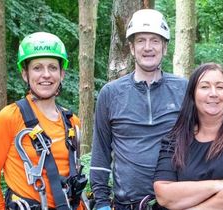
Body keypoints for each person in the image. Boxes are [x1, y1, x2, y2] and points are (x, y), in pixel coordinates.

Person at [89, 9, 188, 210]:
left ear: (165, 47)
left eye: (155, 40)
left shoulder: (184, 89)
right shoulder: (111, 93)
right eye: (141, 40)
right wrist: (100, 203)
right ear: (132, 48)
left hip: (177, 202)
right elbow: (101, 151)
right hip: (127, 204)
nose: (148, 47)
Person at [0, 32, 86, 210]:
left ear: (62, 74)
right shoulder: (9, 118)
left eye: (52, 67)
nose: (46, 75)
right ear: (25, 74)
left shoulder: (72, 121)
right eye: (37, 68)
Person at [153, 63, 223, 210]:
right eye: (205, 87)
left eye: (220, 87)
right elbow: (163, 194)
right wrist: (219, 185)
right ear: (192, 95)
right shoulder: (174, 140)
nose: (213, 93)